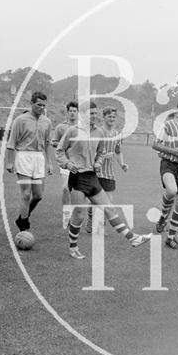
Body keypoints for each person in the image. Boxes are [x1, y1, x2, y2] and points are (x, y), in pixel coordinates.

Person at [56, 106, 151, 259]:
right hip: (77, 177)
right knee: (79, 216)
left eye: (94, 113)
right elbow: (59, 151)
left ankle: (133, 238)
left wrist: (98, 161)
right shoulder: (73, 131)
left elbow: (100, 152)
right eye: (90, 113)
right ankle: (73, 248)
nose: (93, 116)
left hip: (92, 177)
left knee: (110, 209)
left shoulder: (98, 132)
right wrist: (67, 164)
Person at [151, 98, 178, 249]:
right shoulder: (169, 125)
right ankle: (163, 216)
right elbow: (155, 144)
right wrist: (172, 151)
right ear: (177, 110)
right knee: (171, 190)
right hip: (169, 164)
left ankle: (170, 238)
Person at [6, 91, 53, 232]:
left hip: (39, 158)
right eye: (39, 104)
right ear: (32, 103)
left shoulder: (47, 121)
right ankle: (24, 229)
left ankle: (21, 219)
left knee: (38, 196)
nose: (41, 107)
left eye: (43, 105)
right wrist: (10, 162)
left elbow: (47, 144)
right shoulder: (20, 120)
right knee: (26, 194)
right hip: (24, 157)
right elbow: (11, 142)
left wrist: (49, 162)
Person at [84, 106, 128, 233]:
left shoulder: (117, 135)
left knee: (109, 201)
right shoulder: (98, 132)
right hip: (96, 171)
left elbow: (118, 152)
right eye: (109, 116)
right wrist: (103, 156)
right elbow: (91, 150)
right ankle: (91, 219)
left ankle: (100, 223)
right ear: (103, 117)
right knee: (95, 200)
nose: (112, 119)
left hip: (109, 173)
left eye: (114, 117)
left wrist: (123, 164)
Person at [51, 101, 80, 228]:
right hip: (65, 163)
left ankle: (76, 217)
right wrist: (64, 146)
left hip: (80, 164)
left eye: (75, 111)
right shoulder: (61, 127)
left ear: (78, 113)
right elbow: (53, 142)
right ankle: (66, 217)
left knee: (77, 193)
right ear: (67, 112)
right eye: (70, 111)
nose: (72, 113)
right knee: (65, 189)